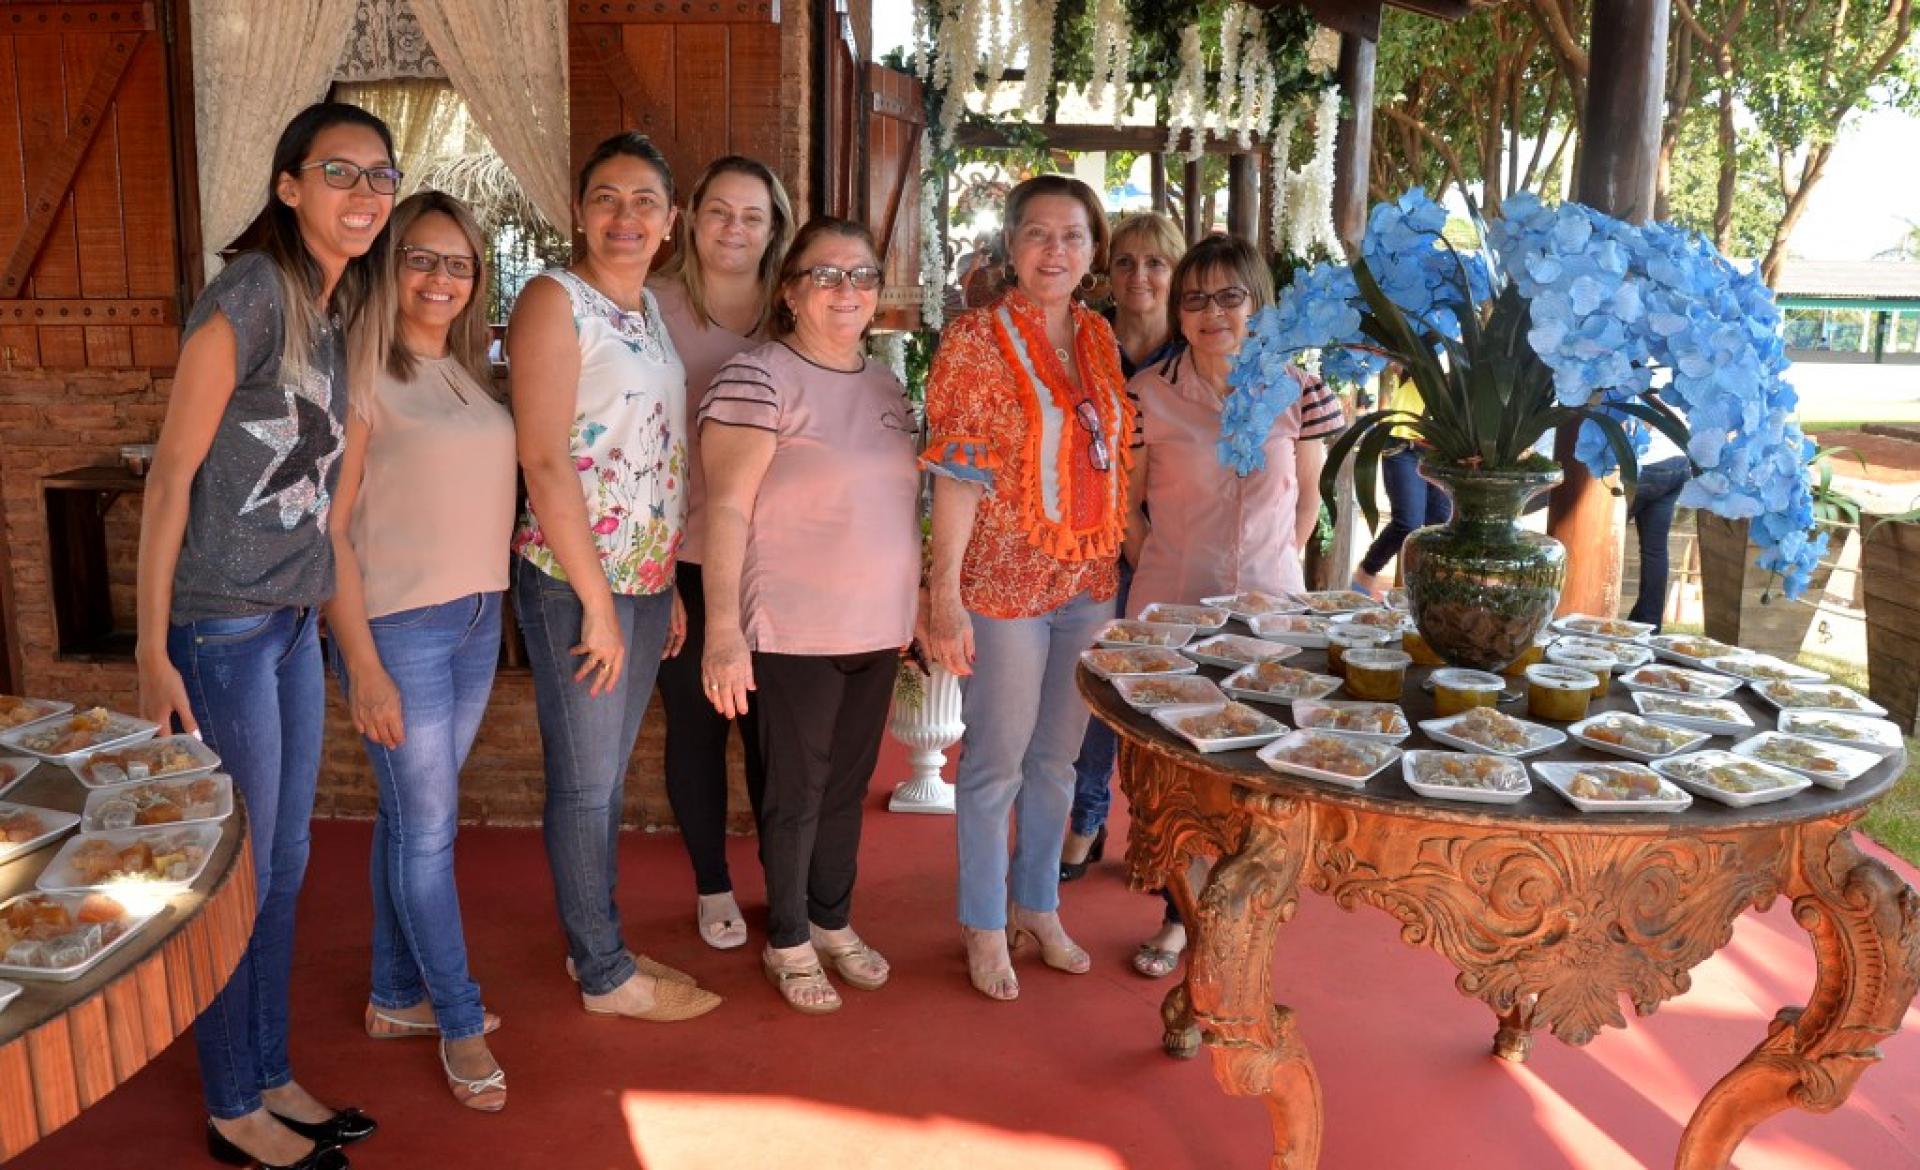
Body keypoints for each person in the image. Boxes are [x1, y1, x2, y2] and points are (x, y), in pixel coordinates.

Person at [136, 101, 394, 1170]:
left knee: (283, 866)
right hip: (223, 625)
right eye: (340, 172)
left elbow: (328, 501)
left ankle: (269, 1069)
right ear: (289, 187)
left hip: (289, 625)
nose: (365, 193)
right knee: (240, 871)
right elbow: (170, 477)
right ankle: (232, 1104)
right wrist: (151, 647)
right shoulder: (248, 294)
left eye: (380, 175)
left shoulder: (335, 311)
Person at [507, 131, 720, 1022]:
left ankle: (596, 941)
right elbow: (545, 459)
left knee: (607, 778)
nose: (624, 216)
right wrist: (597, 603)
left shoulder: (649, 310)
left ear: (671, 222)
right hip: (573, 580)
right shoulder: (555, 300)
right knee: (587, 784)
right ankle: (602, 972)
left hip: (640, 582)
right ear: (579, 211)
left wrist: (661, 584)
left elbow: (655, 454)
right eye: (606, 197)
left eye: (644, 202)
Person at [698, 218, 920, 1013]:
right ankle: (788, 938)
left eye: (861, 275)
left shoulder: (886, 385)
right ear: (790, 291)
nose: (846, 290)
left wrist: (922, 601)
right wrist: (722, 631)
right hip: (793, 626)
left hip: (878, 625)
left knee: (847, 788)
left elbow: (900, 506)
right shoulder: (759, 376)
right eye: (825, 275)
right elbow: (725, 508)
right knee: (796, 792)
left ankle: (831, 919)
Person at [923, 175, 1134, 1002]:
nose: (1056, 250)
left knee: (1058, 760)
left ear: (1093, 249)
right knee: (996, 762)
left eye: (1073, 235)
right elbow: (957, 474)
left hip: (1088, 578)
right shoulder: (974, 341)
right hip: (1005, 581)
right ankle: (982, 922)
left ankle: (1036, 905)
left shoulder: (1098, 336)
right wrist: (943, 595)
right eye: (1038, 233)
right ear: (1010, 245)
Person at [326, 191, 512, 1112]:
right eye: (422, 259)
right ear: (388, 265)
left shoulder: (467, 372)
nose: (442, 278)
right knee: (429, 832)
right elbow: (328, 532)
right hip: (401, 629)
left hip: (478, 618)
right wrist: (362, 665)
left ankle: (395, 996)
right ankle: (460, 1020)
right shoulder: (360, 375)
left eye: (459, 264)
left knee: (411, 823)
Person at [1123, 233, 1345, 977]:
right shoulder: (1147, 394)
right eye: (1196, 298)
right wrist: (1163, 573)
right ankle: (1180, 918)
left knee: (1255, 772)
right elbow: (1128, 508)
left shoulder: (1301, 390)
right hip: (1173, 613)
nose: (1212, 312)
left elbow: (1308, 501)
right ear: (1178, 312)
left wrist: (1275, 571)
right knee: (1180, 773)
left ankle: (1241, 918)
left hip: (1270, 620)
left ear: (1259, 304)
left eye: (1230, 296)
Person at [650, 156, 794, 950]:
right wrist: (657, 575)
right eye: (719, 212)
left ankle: (787, 885)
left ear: (775, 229)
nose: (734, 229)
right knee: (698, 730)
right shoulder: (650, 307)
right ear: (691, 218)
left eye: (753, 216)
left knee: (778, 737)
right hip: (686, 559)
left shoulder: (796, 311)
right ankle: (712, 883)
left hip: (781, 566)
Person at [1061, 211, 1187, 883]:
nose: (1140, 275)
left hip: (1174, 545)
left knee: (1168, 697)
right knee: (1097, 693)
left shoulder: (1195, 348)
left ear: (1177, 273)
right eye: (1126, 262)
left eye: (1156, 262)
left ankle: (1168, 835)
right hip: (1092, 543)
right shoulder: (1085, 342)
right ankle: (1086, 819)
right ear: (1106, 273)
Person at [1351, 366, 1449, 598]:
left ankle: (1426, 592)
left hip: (1444, 449)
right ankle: (1366, 573)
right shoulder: (1432, 348)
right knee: (1408, 522)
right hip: (1403, 442)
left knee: (1440, 523)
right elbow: (1395, 363)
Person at [1627, 426, 1691, 631]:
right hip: (1679, 460)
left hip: (1643, 463)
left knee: (1600, 536)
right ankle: (1649, 627)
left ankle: (1587, 619)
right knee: (1655, 550)